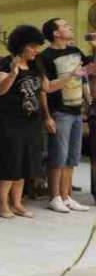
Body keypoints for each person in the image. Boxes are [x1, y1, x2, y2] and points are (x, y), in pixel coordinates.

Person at [0, 25, 48, 219]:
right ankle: (2, 204)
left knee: (24, 164)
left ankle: (17, 202)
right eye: (32, 46)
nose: (36, 51)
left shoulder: (36, 65)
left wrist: (71, 76)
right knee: (9, 162)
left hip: (30, 121)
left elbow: (45, 88)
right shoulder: (4, 64)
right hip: (8, 120)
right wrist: (13, 73)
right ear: (21, 45)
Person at [39, 18, 95, 213]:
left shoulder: (75, 51)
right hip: (59, 112)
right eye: (65, 25)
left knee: (72, 157)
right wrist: (47, 116)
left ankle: (66, 195)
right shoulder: (45, 56)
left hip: (76, 111)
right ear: (55, 33)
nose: (70, 27)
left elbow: (91, 68)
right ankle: (54, 197)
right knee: (58, 157)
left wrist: (94, 48)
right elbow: (44, 89)